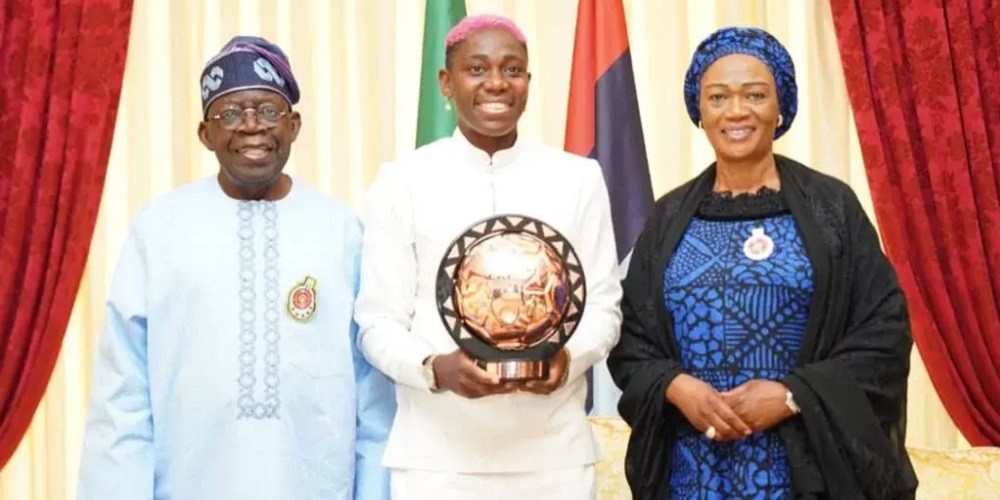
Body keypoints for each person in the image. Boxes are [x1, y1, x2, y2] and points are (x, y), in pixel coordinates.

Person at [76, 36, 395, 500]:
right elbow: (123, 390)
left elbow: (375, 396)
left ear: (293, 126)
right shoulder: (160, 228)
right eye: (229, 114)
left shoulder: (341, 230)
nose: (250, 126)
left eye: (267, 111)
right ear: (205, 134)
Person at [607, 27, 918, 499]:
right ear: (699, 110)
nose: (736, 111)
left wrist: (793, 395)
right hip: (691, 473)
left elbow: (884, 332)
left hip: (806, 474)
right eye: (718, 97)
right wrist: (675, 386)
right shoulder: (668, 218)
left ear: (781, 107)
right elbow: (631, 338)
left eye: (755, 95)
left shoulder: (832, 209)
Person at [354, 14, 622, 500]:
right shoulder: (403, 181)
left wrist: (566, 359)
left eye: (512, 69)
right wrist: (435, 368)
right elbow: (377, 323)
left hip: (553, 457)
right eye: (476, 69)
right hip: (436, 460)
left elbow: (604, 308)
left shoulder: (577, 179)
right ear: (446, 83)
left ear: (528, 81)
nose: (496, 83)